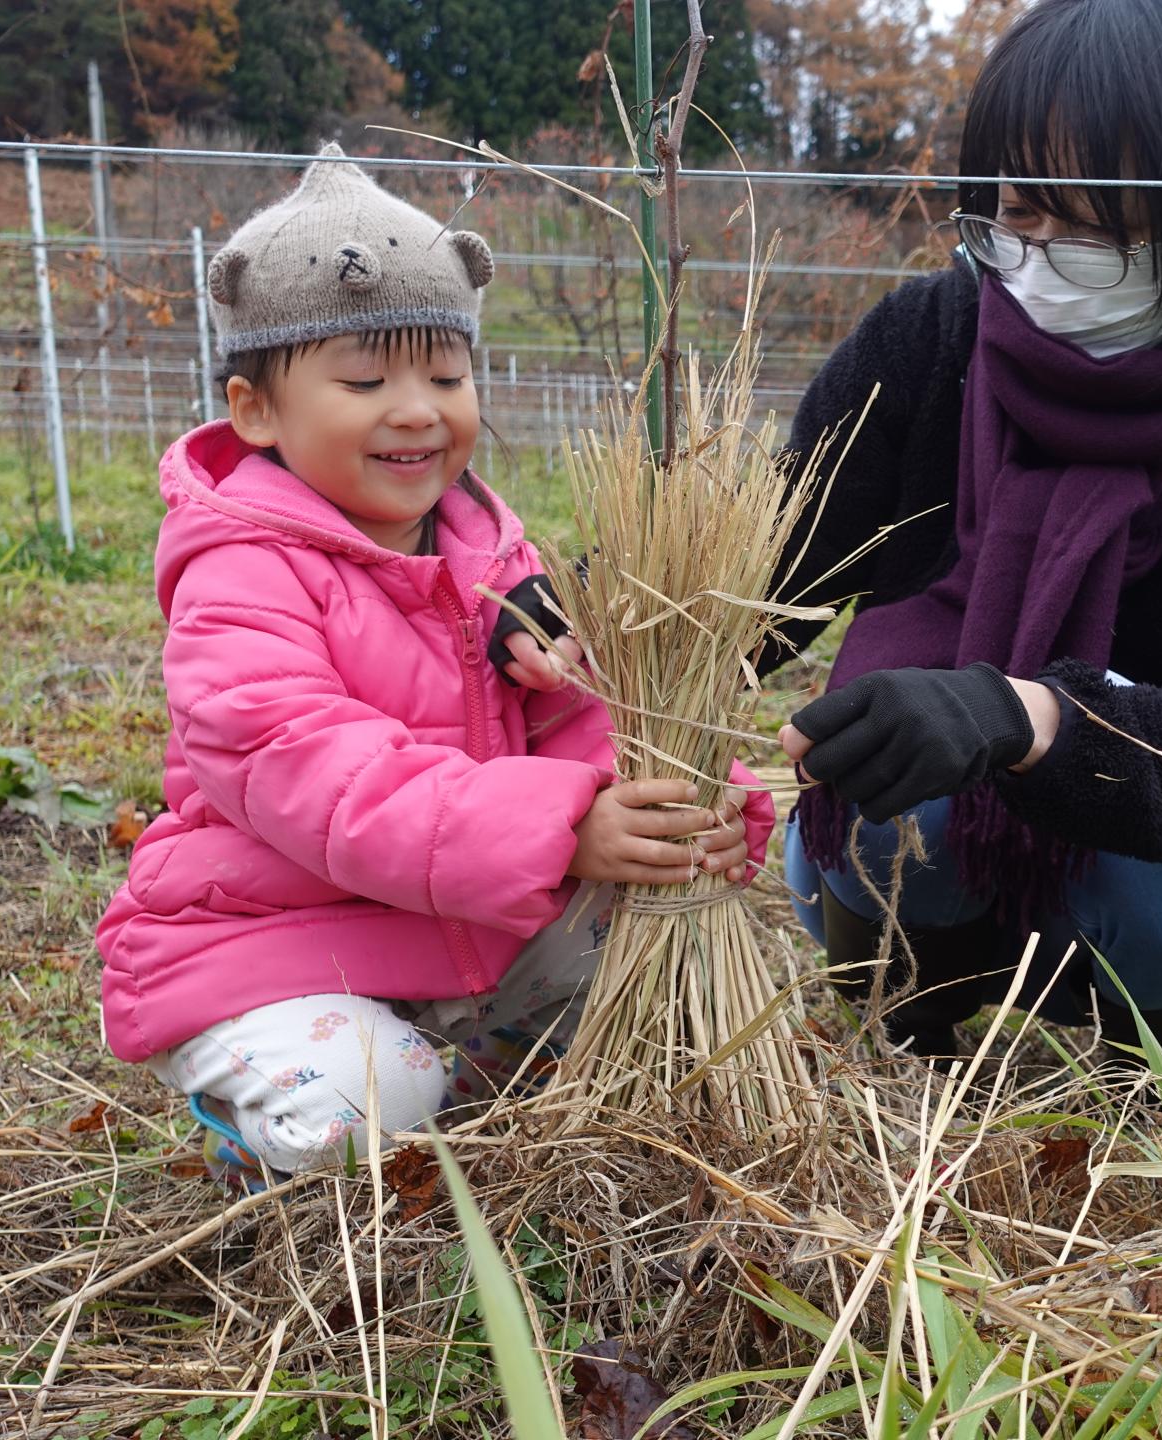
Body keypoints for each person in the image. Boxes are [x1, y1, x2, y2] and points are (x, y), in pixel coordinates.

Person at [759, 0, 1162, 1134]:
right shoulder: (939, 335)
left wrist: (1029, 714)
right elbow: (775, 562)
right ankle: (906, 1032)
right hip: (926, 843)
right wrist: (586, 616)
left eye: (1093, 223)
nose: (1037, 259)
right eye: (1017, 209)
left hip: (1157, 859)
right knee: (889, 807)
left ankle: (1159, 1060)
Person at [94, 146, 771, 1188]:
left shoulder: (493, 563)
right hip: (285, 950)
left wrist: (683, 800)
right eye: (366, 379)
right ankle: (262, 1118)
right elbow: (309, 767)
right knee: (369, 1099)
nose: (418, 409)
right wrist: (559, 826)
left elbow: (584, 736)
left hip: (459, 942)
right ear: (257, 411)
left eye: (447, 376)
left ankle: (475, 1090)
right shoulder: (238, 572)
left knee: (649, 930)